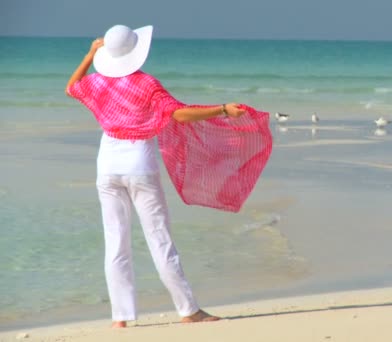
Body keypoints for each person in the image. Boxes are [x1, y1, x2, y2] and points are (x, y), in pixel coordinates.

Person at [65, 25, 272, 328]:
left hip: (107, 168)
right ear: (136, 51)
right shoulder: (146, 84)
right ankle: (188, 310)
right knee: (159, 239)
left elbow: (72, 86)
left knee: (115, 241)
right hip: (140, 166)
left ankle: (120, 319)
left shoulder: (97, 83)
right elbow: (179, 114)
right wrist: (223, 110)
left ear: (107, 53)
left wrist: (89, 54)